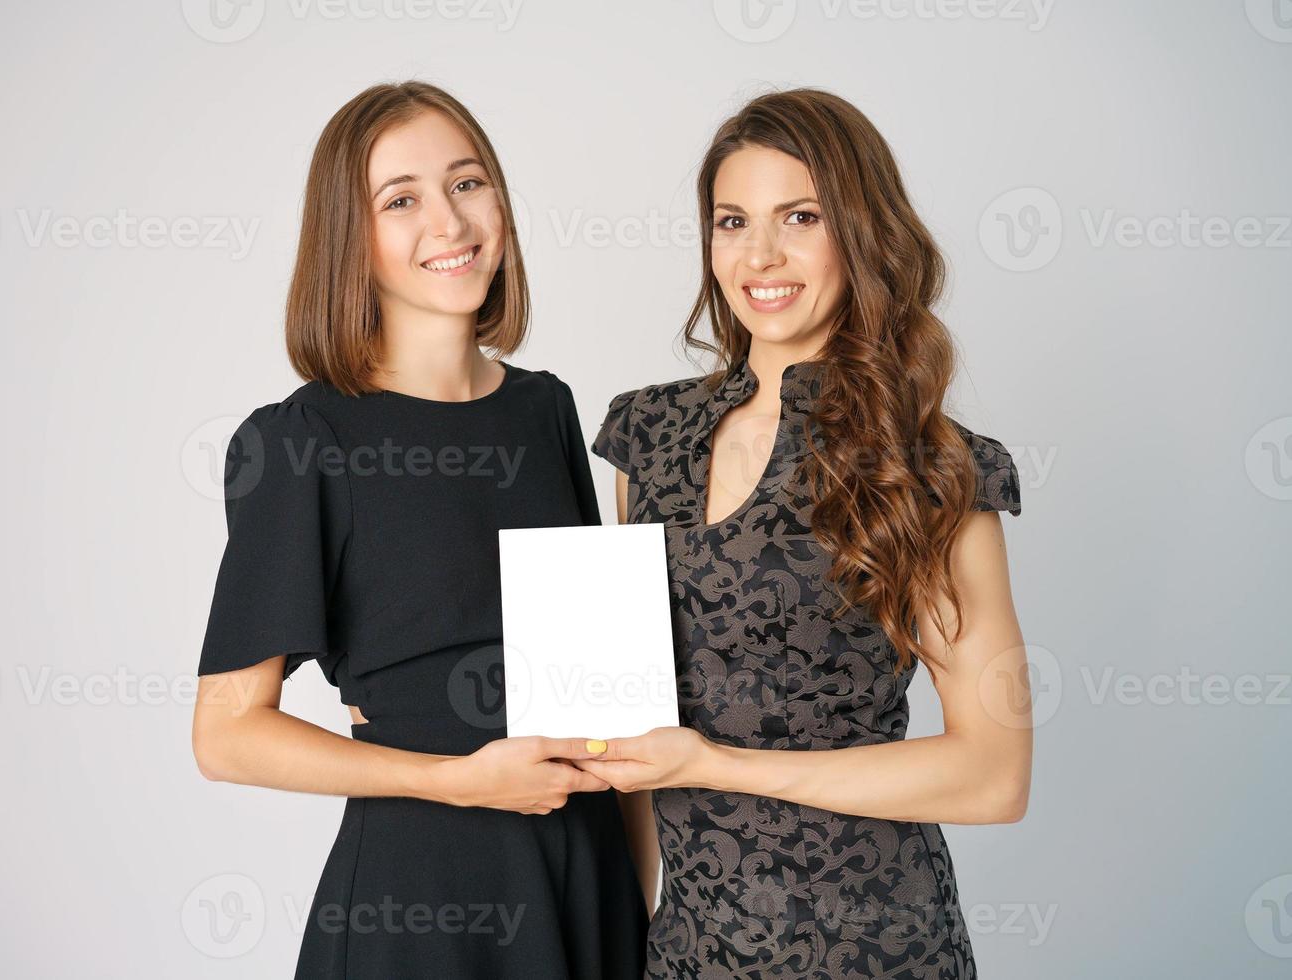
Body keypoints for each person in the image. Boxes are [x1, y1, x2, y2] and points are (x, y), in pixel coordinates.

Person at [191, 80, 647, 979]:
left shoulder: (545, 410)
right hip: (425, 899)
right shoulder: (301, 442)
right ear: (348, 241)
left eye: (467, 183)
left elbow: (609, 698)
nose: (449, 221)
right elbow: (226, 734)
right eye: (400, 200)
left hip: (587, 881)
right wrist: (454, 778)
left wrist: (639, 904)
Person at [584, 88, 1032, 979]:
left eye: (800, 216)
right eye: (731, 221)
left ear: (861, 233)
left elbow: (992, 774)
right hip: (688, 952)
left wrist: (716, 763)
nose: (760, 255)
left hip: (876, 946)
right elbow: (625, 730)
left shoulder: (931, 466)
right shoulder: (647, 437)